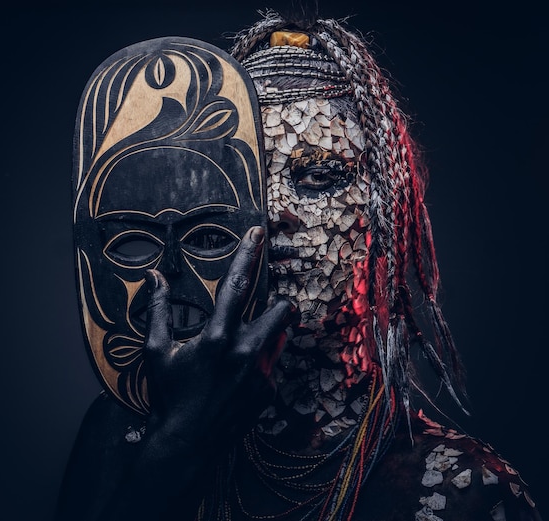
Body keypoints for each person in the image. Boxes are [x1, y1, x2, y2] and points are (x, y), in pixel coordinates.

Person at [56, 8, 544, 521]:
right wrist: (173, 451)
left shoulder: (468, 495)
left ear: (386, 210)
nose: (275, 215)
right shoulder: (121, 436)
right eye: (248, 187)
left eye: (321, 175)